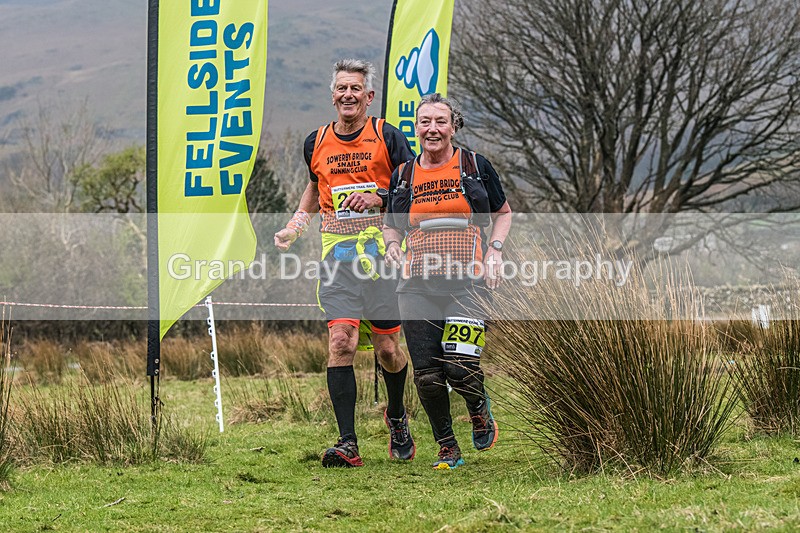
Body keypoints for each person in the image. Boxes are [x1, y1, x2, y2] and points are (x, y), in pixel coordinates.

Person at [274, 59, 416, 468]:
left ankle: (396, 416)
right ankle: (347, 443)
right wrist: (294, 227)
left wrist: (380, 198)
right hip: (337, 260)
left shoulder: (387, 136)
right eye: (341, 88)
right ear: (333, 95)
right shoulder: (315, 141)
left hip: (382, 257)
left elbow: (411, 188)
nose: (348, 95)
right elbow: (314, 188)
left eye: (356, 88)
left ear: (369, 96)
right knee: (341, 343)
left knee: (389, 348)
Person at [383, 93, 512, 469]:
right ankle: (446, 445)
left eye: (441, 121)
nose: (433, 129)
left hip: (467, 284)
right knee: (427, 376)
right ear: (416, 127)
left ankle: (477, 407)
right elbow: (391, 227)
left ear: (454, 126)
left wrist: (496, 251)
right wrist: (392, 247)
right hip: (417, 285)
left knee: (459, 364)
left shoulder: (474, 165)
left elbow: (502, 213)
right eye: (425, 122)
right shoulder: (403, 175)